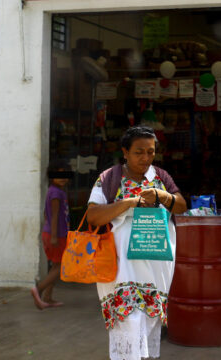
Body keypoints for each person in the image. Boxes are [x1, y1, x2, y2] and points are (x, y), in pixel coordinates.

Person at [86, 125, 187, 360]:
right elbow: (93, 216)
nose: (146, 158)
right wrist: (129, 203)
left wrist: (163, 196)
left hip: (155, 263)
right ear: (125, 152)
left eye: (150, 152)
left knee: (149, 319)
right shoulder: (109, 178)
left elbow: (181, 206)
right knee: (128, 318)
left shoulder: (161, 177)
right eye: (139, 152)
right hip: (121, 263)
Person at [31, 159, 71, 310]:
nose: (63, 178)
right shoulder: (56, 193)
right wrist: (54, 236)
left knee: (55, 265)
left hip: (52, 234)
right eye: (59, 175)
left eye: (65, 175)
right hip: (56, 235)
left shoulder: (55, 191)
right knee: (61, 267)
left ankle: (47, 297)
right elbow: (54, 215)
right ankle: (39, 290)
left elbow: (45, 214)